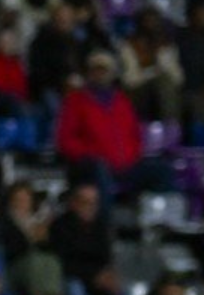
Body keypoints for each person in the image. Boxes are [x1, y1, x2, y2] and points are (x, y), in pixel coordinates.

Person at [53, 52, 143, 196]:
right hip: (92, 166)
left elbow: (136, 135)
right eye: (96, 69)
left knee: (160, 170)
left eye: (104, 70)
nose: (100, 74)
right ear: (89, 72)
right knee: (99, 171)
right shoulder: (75, 102)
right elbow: (65, 139)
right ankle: (105, 216)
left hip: (125, 165)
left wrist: (131, 156)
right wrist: (90, 155)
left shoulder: (122, 102)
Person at [47, 182, 120, 295]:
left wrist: (107, 275)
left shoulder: (101, 227)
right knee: (74, 289)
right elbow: (61, 262)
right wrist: (93, 276)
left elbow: (106, 257)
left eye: (94, 203)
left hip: (97, 280)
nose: (89, 207)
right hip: (71, 278)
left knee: (124, 290)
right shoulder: (60, 226)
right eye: (84, 202)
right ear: (73, 203)